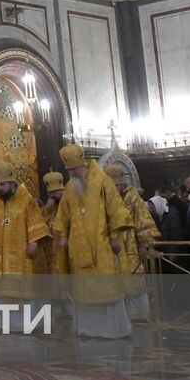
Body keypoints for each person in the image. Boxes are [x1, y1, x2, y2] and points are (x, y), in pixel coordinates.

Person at [51, 144, 133, 338]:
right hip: (77, 249)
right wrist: (62, 237)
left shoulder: (103, 182)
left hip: (101, 245)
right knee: (83, 289)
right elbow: (62, 216)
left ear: (83, 164)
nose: (71, 173)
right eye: (68, 170)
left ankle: (112, 330)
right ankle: (88, 330)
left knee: (106, 287)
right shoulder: (70, 188)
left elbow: (116, 210)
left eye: (74, 169)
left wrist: (115, 236)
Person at [0, 162, 50, 319]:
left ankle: (27, 323)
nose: (0, 189)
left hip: (22, 255)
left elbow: (35, 222)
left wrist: (34, 242)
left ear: (12, 182)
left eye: (3, 184)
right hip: (1, 257)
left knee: (24, 290)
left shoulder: (27, 200)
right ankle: (7, 323)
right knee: (4, 290)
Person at [108, 165, 158, 320]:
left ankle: (138, 314)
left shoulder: (133, 197)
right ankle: (119, 316)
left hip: (131, 246)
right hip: (112, 247)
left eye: (114, 186)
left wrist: (145, 244)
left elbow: (143, 221)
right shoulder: (107, 199)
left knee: (135, 279)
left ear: (120, 184)